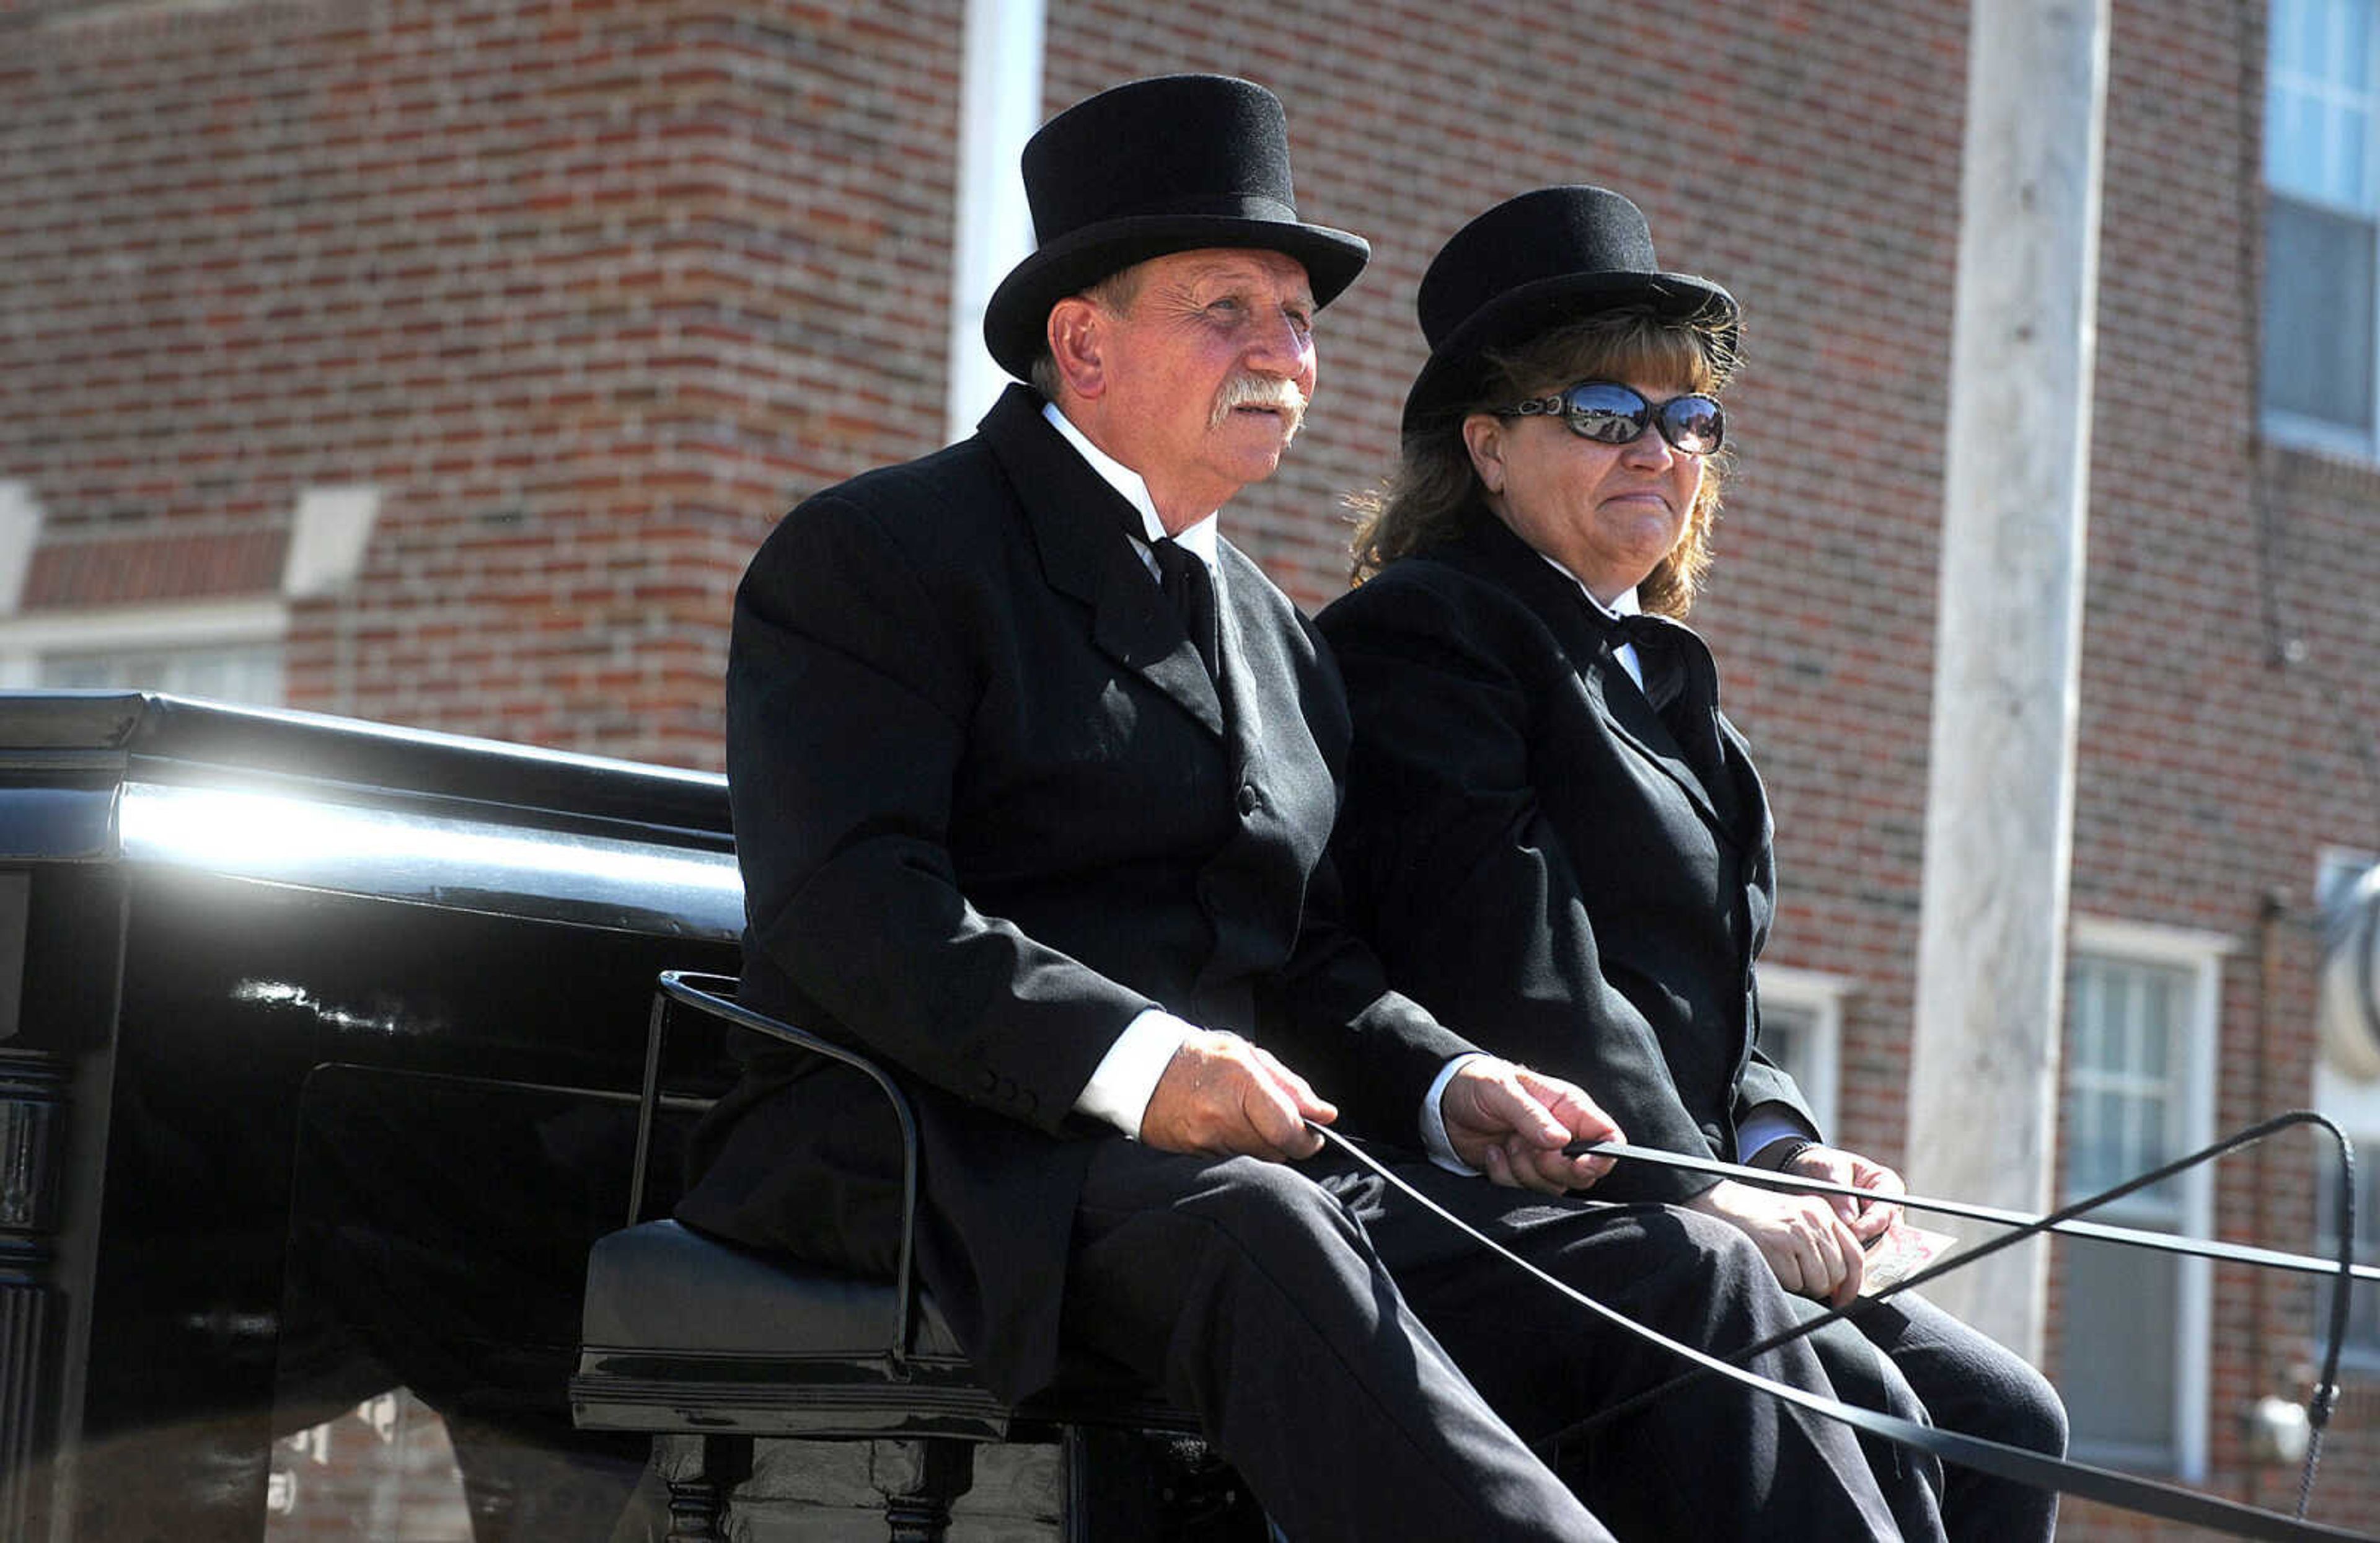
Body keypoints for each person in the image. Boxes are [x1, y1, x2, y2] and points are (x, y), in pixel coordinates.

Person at [676, 79, 1920, 1542]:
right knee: (1264, 1229)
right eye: (1229, 311)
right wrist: (1144, 1063)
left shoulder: (1272, 632)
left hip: (1239, 1175)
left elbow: (1312, 963)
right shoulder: (883, 554)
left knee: (1678, 1275)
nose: (1285, 354)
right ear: (1082, 342)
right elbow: (851, 908)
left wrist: (1458, 1088)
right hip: (952, 1151)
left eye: (1300, 321)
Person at [1318, 183, 2070, 1543]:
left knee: (2010, 1416)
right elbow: (1518, 958)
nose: (1656, 451)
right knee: (1864, 1420)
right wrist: (1701, 1183)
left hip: (1706, 1186)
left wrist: (1788, 1146)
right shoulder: (1429, 636)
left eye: (1687, 421)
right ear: (1486, 448)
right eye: (1604, 416)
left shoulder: (1664, 676)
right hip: (1525, 1193)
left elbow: (1707, 991)